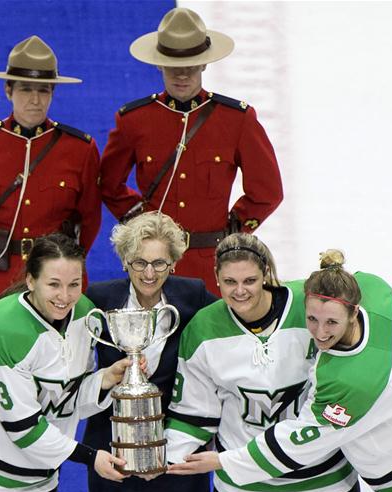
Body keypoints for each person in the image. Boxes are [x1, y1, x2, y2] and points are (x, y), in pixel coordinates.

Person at [169, 250, 392, 492]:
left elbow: (301, 442)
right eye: (311, 319)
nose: (320, 333)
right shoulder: (375, 289)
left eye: (331, 323)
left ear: (353, 311)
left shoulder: (348, 380)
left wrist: (225, 462)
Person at [165, 234, 362, 492]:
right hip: (244, 481)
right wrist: (164, 461)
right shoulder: (202, 329)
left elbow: (366, 328)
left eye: (250, 281)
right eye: (230, 282)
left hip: (324, 477)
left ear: (266, 274)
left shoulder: (309, 307)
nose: (240, 291)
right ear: (216, 278)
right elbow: (195, 412)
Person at [0, 233, 137, 492]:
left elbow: (65, 399)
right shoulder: (0, 328)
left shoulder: (85, 314)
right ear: (31, 280)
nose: (65, 296)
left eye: (74, 285)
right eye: (53, 284)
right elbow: (23, 427)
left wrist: (105, 380)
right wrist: (90, 456)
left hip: (41, 482)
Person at [99, 7, 284, 295]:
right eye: (173, 64)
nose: (182, 74)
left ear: (205, 65)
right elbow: (109, 185)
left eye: (192, 64)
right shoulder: (134, 120)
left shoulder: (236, 119)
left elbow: (268, 191)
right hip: (154, 266)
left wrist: (231, 230)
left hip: (212, 263)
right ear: (159, 64)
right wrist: (142, 223)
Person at [0, 35, 102, 313]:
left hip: (54, 279)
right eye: (25, 89)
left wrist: (64, 264)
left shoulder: (80, 149)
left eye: (43, 91)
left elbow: (89, 220)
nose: (34, 100)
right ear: (8, 90)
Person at [83, 212, 218, 492]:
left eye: (159, 263)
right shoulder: (98, 299)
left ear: (172, 262)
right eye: (139, 263)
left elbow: (234, 321)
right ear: (125, 261)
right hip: (114, 454)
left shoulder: (193, 296)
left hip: (179, 454)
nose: (148, 273)